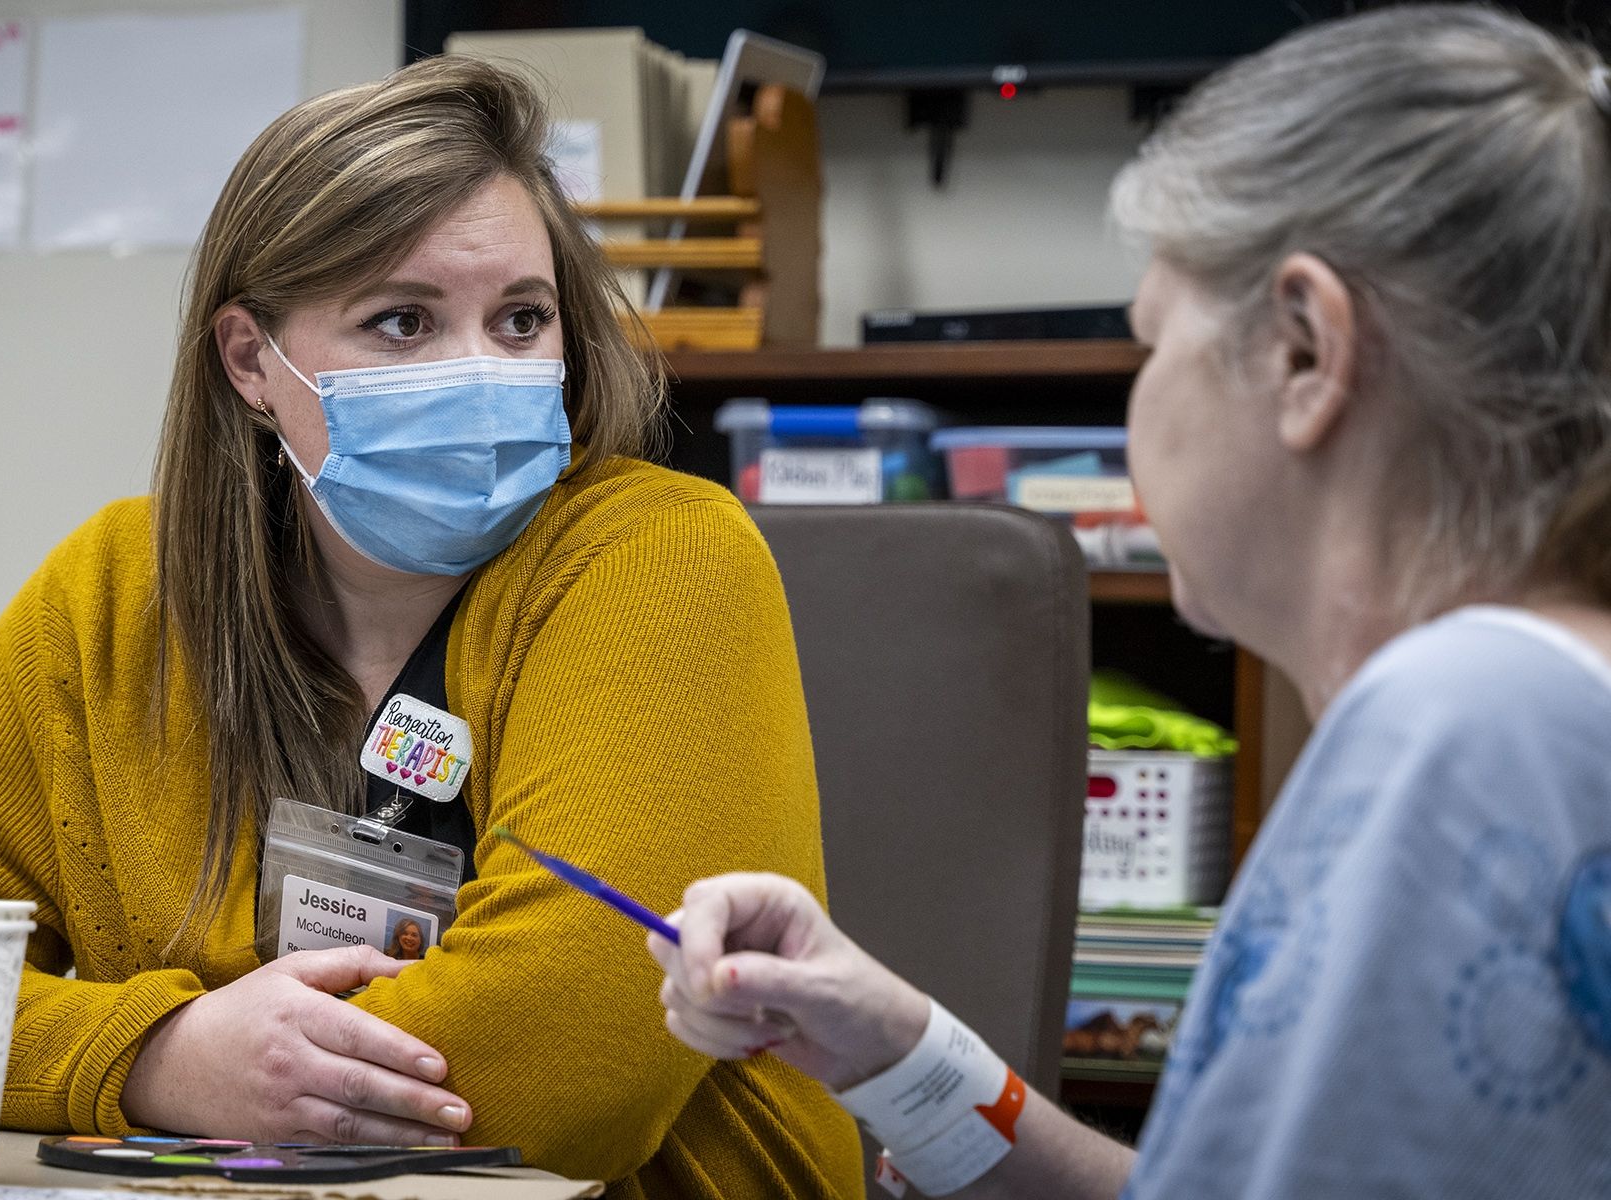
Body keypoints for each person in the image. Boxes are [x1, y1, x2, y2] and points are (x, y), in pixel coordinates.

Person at [0, 56, 861, 1198]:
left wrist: (211, 1067)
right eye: (403, 322)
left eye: (521, 319)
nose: (482, 370)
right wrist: (162, 1059)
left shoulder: (662, 559)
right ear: (251, 360)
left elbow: (556, 1081)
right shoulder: (116, 591)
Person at [650, 6, 1611, 1198]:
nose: (1137, 409)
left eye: (1152, 343)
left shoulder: (1464, 723)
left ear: (1306, 352)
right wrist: (900, 1051)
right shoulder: (1538, 697)